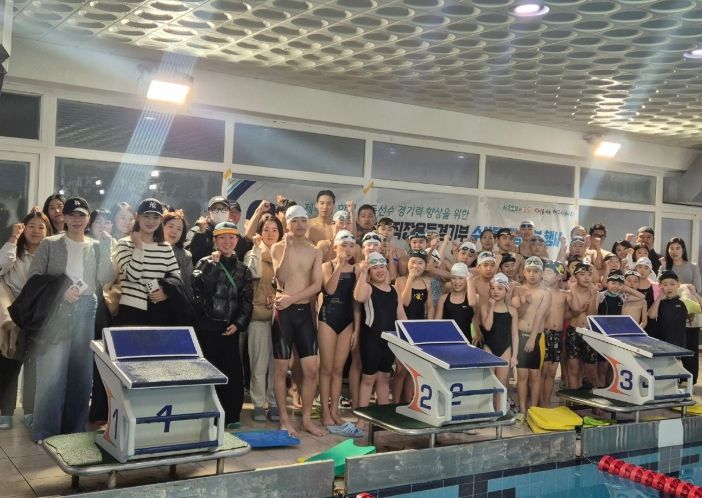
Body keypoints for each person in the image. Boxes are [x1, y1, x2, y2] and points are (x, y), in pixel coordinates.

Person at [28, 197, 114, 441]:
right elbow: (34, 277)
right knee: (51, 372)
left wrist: (107, 247)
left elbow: (105, 277)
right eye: (72, 215)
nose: (76, 220)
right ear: (64, 218)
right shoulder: (50, 243)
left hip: (86, 307)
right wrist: (60, 292)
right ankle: (46, 432)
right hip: (56, 309)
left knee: (81, 372)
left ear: (88, 219)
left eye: (81, 215)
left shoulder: (96, 245)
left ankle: (73, 431)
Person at [192, 221, 253, 429]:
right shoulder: (204, 262)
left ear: (237, 240)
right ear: (215, 240)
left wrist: (238, 323)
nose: (227, 242)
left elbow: (247, 301)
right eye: (222, 238)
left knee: (233, 374)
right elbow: (199, 288)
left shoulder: (243, 269)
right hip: (208, 328)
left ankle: (232, 415)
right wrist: (213, 266)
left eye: (231, 237)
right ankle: (209, 415)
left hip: (231, 329)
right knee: (209, 372)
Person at [270, 205, 324, 437]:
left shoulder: (315, 251)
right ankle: (284, 419)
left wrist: (291, 299)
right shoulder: (278, 247)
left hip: (302, 312)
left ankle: (306, 419)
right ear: (288, 224)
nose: (300, 224)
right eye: (295, 221)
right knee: (282, 369)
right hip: (283, 315)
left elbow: (316, 285)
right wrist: (288, 248)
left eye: (303, 220)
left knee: (311, 370)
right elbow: (280, 278)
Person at [0, 210, 50, 430]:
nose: (36, 231)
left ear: (47, 231)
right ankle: (5, 412)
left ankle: (30, 410)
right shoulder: (15, 250)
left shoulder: (49, 253)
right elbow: (1, 265)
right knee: (9, 361)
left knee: (33, 364)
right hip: (15, 311)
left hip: (38, 313)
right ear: (24, 228)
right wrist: (13, 238)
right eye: (31, 226)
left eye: (41, 227)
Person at [318, 230, 363, 437]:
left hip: (347, 322)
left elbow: (356, 303)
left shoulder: (357, 270)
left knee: (338, 370)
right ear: (335, 247)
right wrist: (339, 265)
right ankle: (325, 412)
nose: (347, 250)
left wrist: (356, 329)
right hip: (327, 319)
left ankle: (335, 411)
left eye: (351, 246)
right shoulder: (326, 267)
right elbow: (329, 289)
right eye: (343, 245)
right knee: (326, 369)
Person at [114, 198, 181, 325]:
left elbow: (176, 276)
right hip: (131, 310)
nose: (151, 221)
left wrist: (165, 292)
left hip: (159, 309)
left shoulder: (165, 247)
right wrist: (139, 247)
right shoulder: (124, 243)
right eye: (146, 216)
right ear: (137, 217)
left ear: (161, 220)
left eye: (156, 217)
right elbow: (133, 276)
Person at [353, 252, 407, 409]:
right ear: (370, 271)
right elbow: (358, 297)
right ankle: (362, 418)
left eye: (382, 266)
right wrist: (363, 273)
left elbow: (401, 314)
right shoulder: (368, 287)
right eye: (374, 268)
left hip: (389, 340)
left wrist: (410, 335)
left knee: (384, 377)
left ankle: (383, 417)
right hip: (371, 340)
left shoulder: (394, 289)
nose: (379, 271)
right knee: (368, 379)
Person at [244, 215, 283, 422]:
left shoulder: (285, 254)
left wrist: (277, 298)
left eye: (274, 230)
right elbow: (252, 274)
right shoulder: (252, 253)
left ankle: (274, 402)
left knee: (277, 365)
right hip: (258, 315)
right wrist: (258, 249)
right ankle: (259, 404)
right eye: (266, 229)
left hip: (281, 315)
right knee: (258, 363)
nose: (270, 234)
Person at [511, 256, 551, 420]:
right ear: (524, 272)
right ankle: (522, 410)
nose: (532, 274)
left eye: (536, 271)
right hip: (519, 335)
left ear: (541, 273)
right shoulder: (518, 289)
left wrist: (533, 338)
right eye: (529, 271)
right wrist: (524, 301)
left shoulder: (545, 293)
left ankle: (533, 410)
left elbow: (540, 316)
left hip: (536, 337)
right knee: (521, 376)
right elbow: (516, 314)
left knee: (535, 375)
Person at [393, 249, 434, 402]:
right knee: (400, 369)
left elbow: (430, 306)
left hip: (419, 329)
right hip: (403, 327)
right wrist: (410, 279)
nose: (416, 266)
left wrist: (430, 325)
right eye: (413, 262)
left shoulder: (427, 283)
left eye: (420, 263)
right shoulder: (400, 281)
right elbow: (404, 302)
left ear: (425, 266)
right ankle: (394, 403)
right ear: (407, 264)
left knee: (413, 370)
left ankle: (408, 403)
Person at [660, 237, 701, 383]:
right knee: (672, 347)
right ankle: (672, 380)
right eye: (671, 248)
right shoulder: (664, 268)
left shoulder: (693, 266)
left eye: (678, 248)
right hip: (670, 313)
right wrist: (682, 286)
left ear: (683, 249)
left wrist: (680, 287)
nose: (674, 251)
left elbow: (697, 288)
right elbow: (661, 289)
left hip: (690, 313)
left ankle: (690, 380)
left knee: (690, 347)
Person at [480, 272, 518, 411]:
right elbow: (487, 327)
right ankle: (487, 411)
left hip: (505, 349)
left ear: (507, 291)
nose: (495, 291)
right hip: (489, 347)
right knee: (488, 382)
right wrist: (491, 308)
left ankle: (499, 411)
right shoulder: (485, 307)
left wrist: (514, 356)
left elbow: (514, 335)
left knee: (501, 383)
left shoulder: (512, 311)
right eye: (493, 288)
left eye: (500, 288)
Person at [564, 262, 598, 389]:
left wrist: (593, 296)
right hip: (574, 331)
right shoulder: (570, 292)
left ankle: (593, 398)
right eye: (582, 274)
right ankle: (574, 397)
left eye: (589, 275)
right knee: (574, 368)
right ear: (575, 276)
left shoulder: (594, 292)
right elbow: (570, 312)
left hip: (589, 332)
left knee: (590, 368)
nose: (586, 278)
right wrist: (572, 291)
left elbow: (591, 314)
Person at [188, 196, 250, 264]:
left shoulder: (232, 231)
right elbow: (191, 256)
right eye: (215, 209)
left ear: (228, 212)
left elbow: (244, 251)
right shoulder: (198, 230)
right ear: (209, 212)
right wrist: (200, 233)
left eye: (224, 209)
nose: (220, 212)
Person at [540, 260, 567, 407]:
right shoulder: (540, 292)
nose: (545, 274)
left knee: (551, 372)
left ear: (558, 276)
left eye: (549, 272)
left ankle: (546, 402)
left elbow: (572, 311)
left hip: (557, 335)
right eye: (544, 271)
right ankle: (538, 403)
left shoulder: (563, 295)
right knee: (542, 371)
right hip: (544, 334)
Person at [435, 263, 478, 342]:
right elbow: (437, 322)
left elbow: (472, 303)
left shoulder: (471, 298)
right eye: (454, 278)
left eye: (461, 278)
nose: (457, 282)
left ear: (466, 280)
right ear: (450, 280)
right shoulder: (443, 299)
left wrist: (470, 280)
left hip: (465, 340)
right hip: (446, 339)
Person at [648, 271, 688, 349]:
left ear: (678, 284)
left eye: (672, 284)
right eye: (665, 285)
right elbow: (651, 315)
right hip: (661, 344)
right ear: (660, 286)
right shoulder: (660, 303)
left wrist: (695, 294)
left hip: (678, 345)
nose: (669, 288)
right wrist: (660, 296)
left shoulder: (684, 301)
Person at [163, 210, 193, 299]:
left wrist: (167, 293)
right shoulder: (149, 248)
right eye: (171, 226)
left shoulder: (185, 256)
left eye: (179, 229)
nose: (174, 231)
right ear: (161, 227)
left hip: (174, 303)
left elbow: (187, 287)